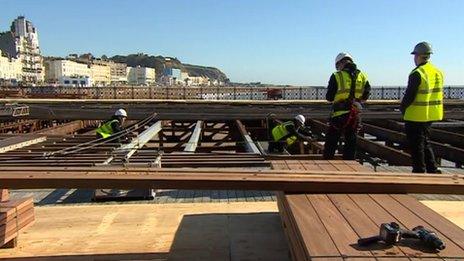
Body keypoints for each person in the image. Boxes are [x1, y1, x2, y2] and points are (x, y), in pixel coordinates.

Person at [400, 42, 443, 174]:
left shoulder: (417, 73)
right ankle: (432, 169)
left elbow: (410, 95)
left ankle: (419, 170)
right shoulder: (437, 72)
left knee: (416, 144)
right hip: (430, 114)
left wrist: (402, 108)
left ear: (418, 56)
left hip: (415, 115)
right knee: (425, 142)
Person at [323, 52, 371, 160]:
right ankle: (349, 163)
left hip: (339, 114)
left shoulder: (337, 75)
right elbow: (366, 94)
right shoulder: (362, 76)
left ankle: (327, 163)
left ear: (340, 63)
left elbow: (329, 97)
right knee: (351, 141)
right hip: (355, 114)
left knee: (331, 141)